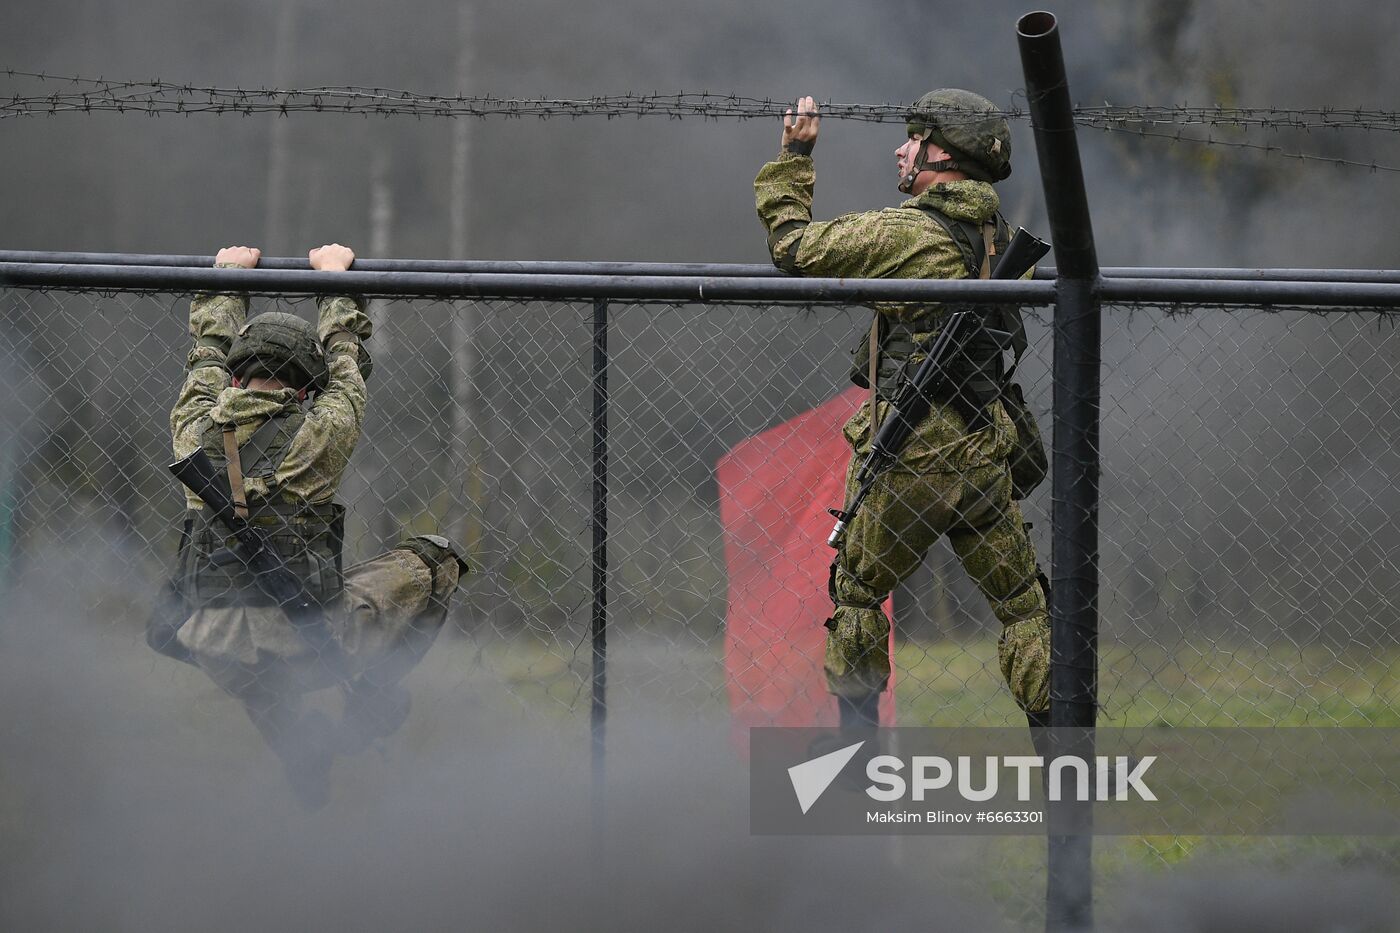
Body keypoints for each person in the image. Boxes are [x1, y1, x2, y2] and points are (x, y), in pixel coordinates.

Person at [754, 91, 1050, 738]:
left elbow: (793, 248)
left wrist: (793, 158)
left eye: (912, 138)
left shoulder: (909, 231)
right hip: (982, 451)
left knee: (857, 596)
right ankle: (1064, 759)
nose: (900, 148)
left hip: (908, 459)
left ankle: (858, 757)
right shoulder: (996, 235)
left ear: (941, 153)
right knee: (1025, 608)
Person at [151, 243, 468, 809]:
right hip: (310, 646)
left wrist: (227, 279)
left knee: (259, 662)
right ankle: (369, 693)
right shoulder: (322, 431)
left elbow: (205, 352)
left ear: (234, 376)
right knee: (436, 556)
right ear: (306, 386)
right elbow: (347, 360)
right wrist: (332, 280)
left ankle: (302, 752)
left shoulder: (193, 427)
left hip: (206, 641)